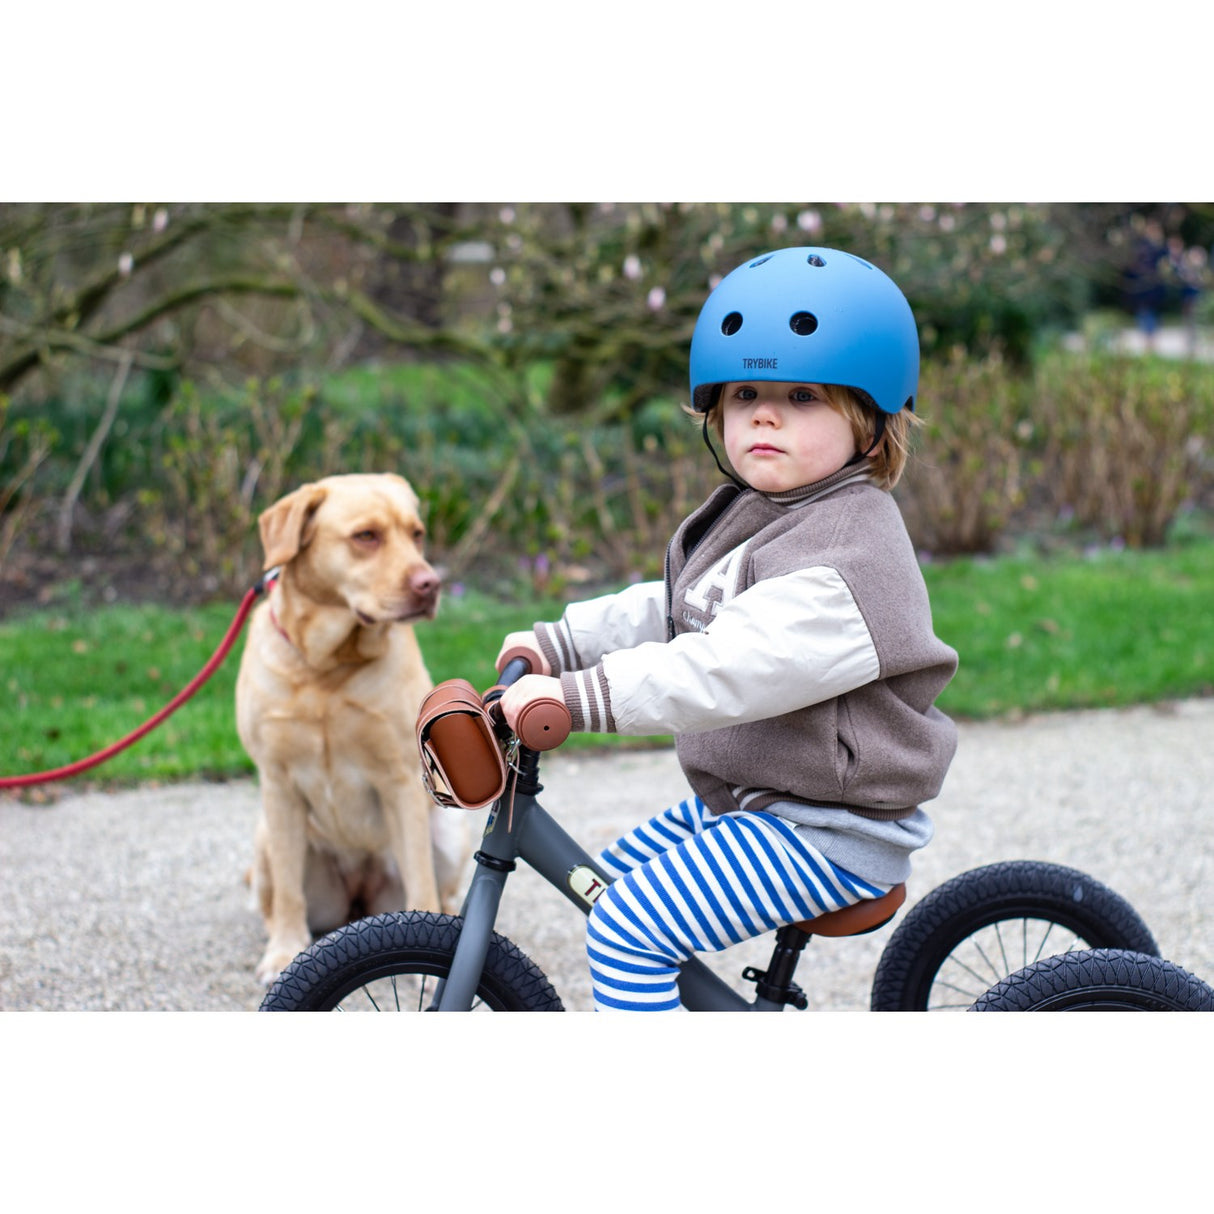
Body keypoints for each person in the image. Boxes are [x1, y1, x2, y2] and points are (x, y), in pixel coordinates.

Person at [498, 246, 959, 1011]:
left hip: (828, 828)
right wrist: (563, 642)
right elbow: (681, 604)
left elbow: (723, 666)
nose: (766, 414)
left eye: (804, 395)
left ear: (873, 422)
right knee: (606, 880)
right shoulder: (767, 511)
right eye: (746, 393)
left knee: (625, 925)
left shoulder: (847, 560)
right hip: (760, 800)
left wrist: (579, 699)